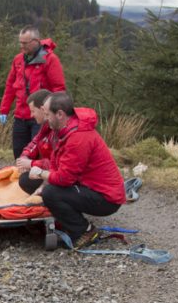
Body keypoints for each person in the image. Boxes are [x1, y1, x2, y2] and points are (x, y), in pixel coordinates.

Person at [32, 92, 126, 249]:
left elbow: (64, 179)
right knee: (39, 185)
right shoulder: (66, 130)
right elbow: (57, 163)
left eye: (48, 115)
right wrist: (42, 183)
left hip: (106, 198)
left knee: (51, 193)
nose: (46, 119)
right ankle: (69, 223)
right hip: (89, 186)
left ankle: (85, 231)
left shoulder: (78, 137)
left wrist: (41, 174)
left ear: (60, 114)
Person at [0, 26, 66, 158]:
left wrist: (52, 113)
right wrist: (4, 110)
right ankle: (21, 178)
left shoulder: (50, 59)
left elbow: (59, 89)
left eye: (25, 43)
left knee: (38, 154)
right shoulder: (18, 60)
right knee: (19, 154)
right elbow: (10, 86)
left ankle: (39, 178)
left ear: (36, 41)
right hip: (20, 115)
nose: (21, 46)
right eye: (20, 42)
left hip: (40, 117)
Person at [14, 88, 54, 194]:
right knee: (25, 178)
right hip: (55, 172)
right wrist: (24, 158)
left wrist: (32, 164)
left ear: (42, 109)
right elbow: (35, 142)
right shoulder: (46, 125)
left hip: (72, 180)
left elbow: (58, 164)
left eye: (33, 111)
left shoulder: (59, 128)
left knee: (26, 180)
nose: (31, 115)